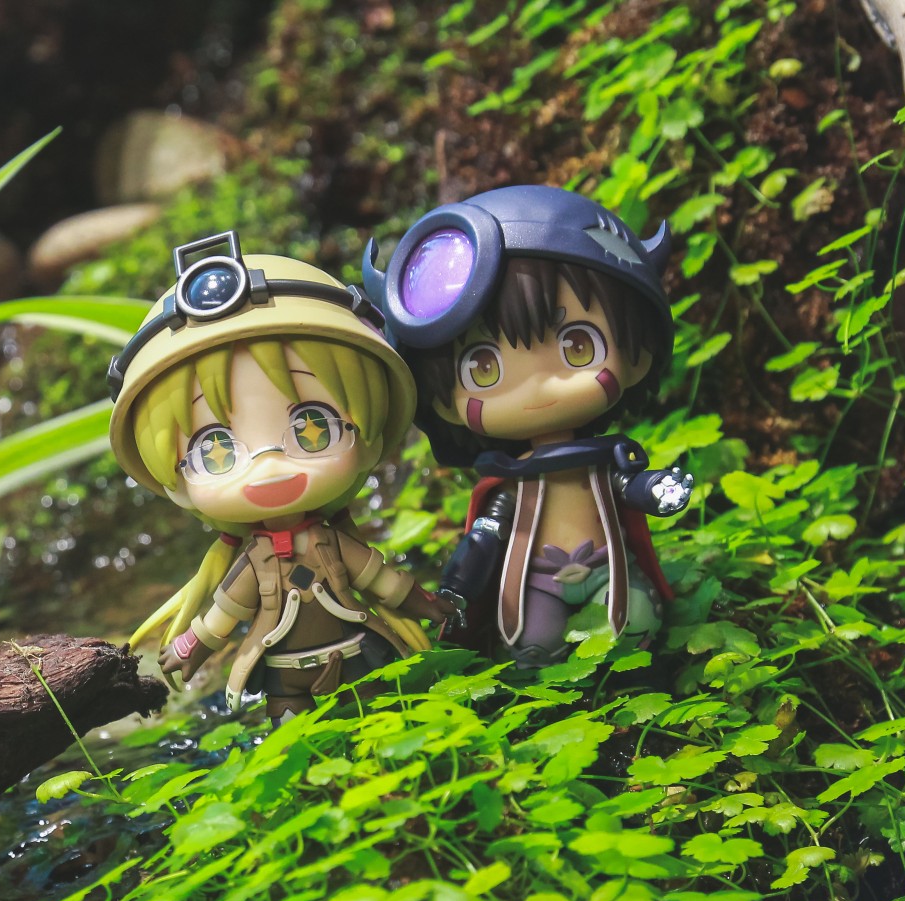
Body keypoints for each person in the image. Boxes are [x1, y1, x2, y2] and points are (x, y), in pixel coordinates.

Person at [107, 232, 451, 719]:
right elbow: (225, 614)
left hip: (356, 656)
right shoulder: (256, 561)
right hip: (285, 675)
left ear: (369, 437)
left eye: (314, 428)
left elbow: (381, 580)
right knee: (294, 740)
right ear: (175, 484)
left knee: (381, 721)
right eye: (214, 451)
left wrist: (428, 605)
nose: (268, 465)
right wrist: (190, 647)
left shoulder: (332, 545)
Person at [362, 185, 692, 668]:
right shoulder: (511, 483)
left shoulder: (604, 462)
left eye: (578, 346)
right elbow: (486, 535)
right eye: (484, 369)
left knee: (636, 623)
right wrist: (458, 585)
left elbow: (628, 486)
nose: (538, 388)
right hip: (536, 579)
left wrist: (656, 489)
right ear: (443, 403)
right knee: (531, 644)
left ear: (637, 356)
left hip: (608, 568)